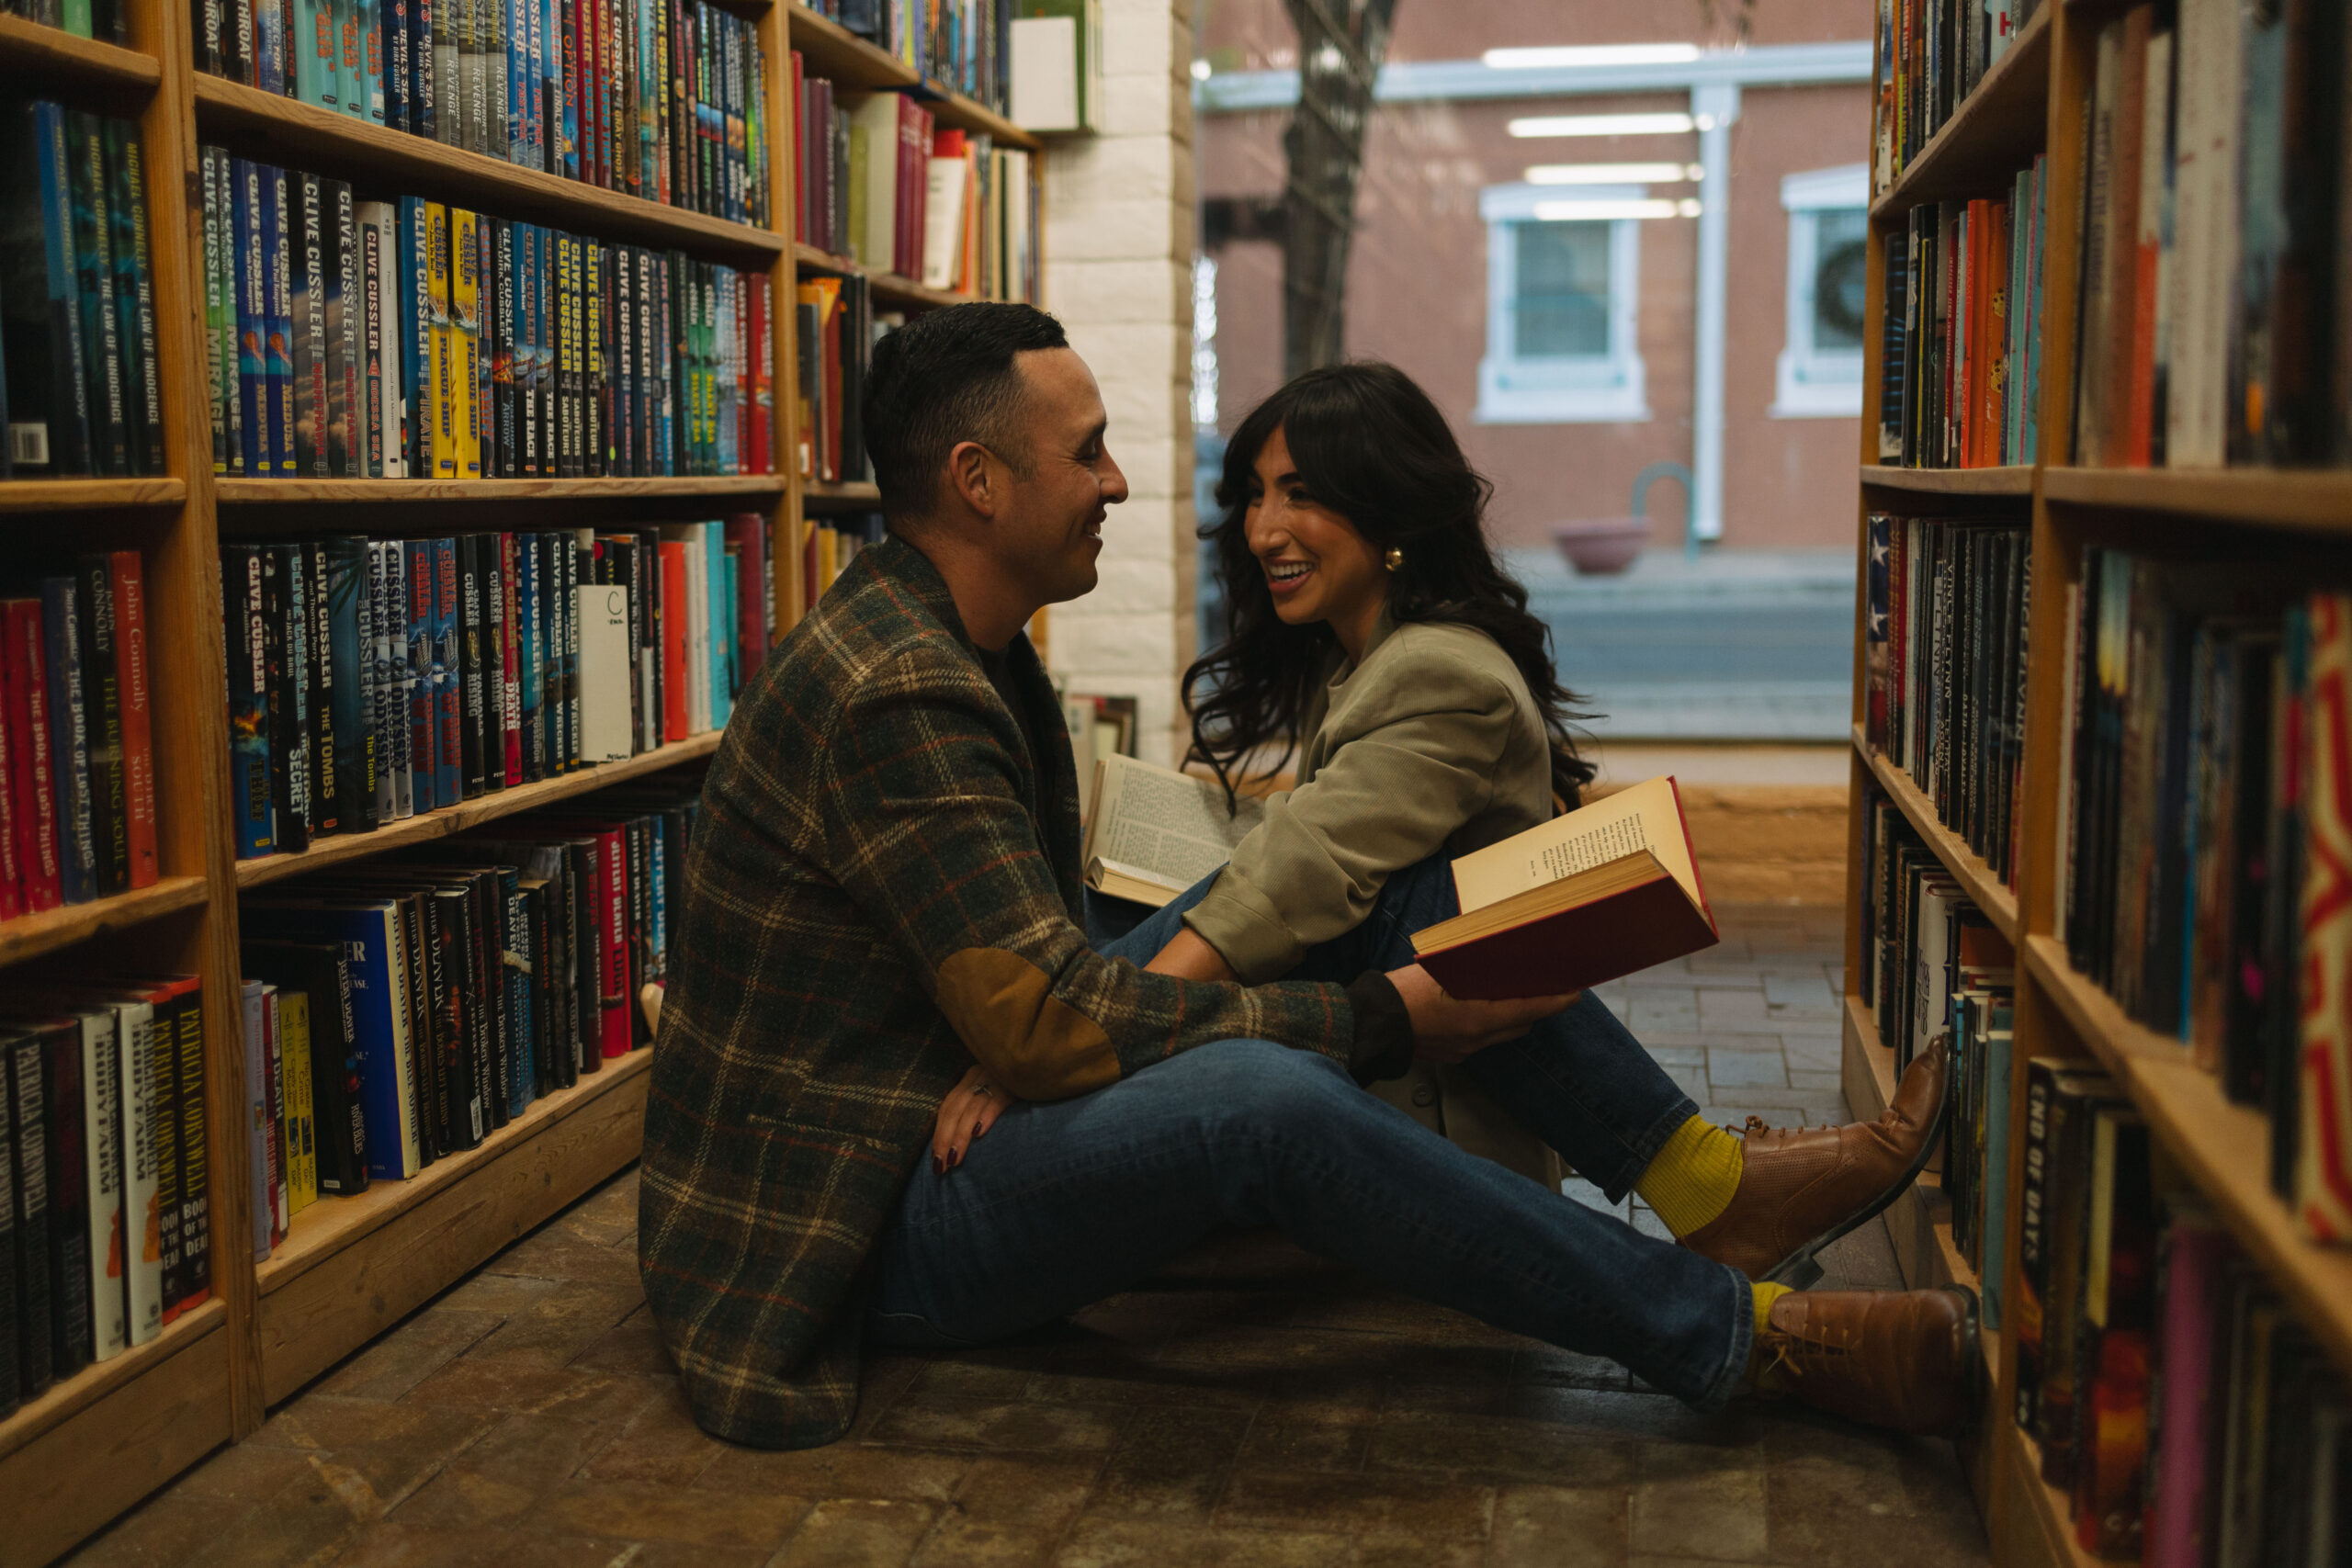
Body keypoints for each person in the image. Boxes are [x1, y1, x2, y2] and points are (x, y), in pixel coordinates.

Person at [639, 302, 1976, 1453]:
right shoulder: (903, 691)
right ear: (980, 481)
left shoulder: (964, 646)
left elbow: (1041, 1002)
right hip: (859, 1223)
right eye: (1088, 450)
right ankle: (1743, 1338)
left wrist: (1044, 1028)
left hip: (940, 1108)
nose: (1117, 482)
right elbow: (1046, 1019)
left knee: (1380, 901)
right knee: (1261, 1099)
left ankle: (1711, 1193)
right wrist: (1374, 1020)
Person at [930, 360, 1950, 1294]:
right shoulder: (1365, 660)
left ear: (1389, 511)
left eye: (1304, 493)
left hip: (1425, 1131)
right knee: (1124, 905)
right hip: (1386, 1069)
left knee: (1323, 903)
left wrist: (1068, 1037)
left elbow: (1308, 870)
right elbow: (1315, 847)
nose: (1263, 528)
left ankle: (1707, 1185)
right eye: (1254, 494)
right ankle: (1707, 1182)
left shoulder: (1437, 670)